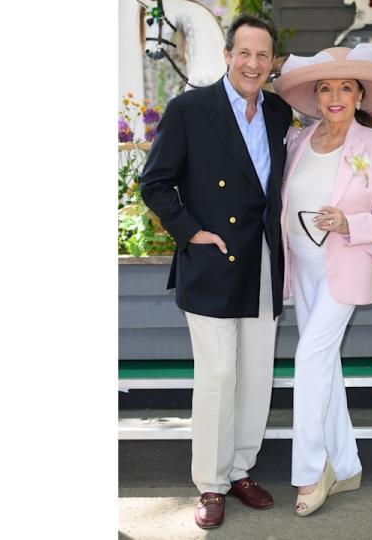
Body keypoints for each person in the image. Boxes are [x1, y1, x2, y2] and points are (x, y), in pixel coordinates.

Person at [138, 14, 293, 530]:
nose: (253, 63)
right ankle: (210, 482)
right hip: (212, 258)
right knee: (219, 374)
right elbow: (155, 182)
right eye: (244, 53)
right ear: (228, 55)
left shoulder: (277, 112)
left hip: (263, 257)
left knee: (256, 376)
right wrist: (191, 232)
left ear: (272, 64)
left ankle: (242, 469)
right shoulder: (190, 110)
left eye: (263, 55)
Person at [272, 43, 372, 516]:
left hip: (343, 269)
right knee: (325, 367)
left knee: (309, 360)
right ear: (315, 94)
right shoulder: (297, 141)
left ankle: (311, 473)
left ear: (360, 95)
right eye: (325, 87)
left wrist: (351, 224)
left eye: (345, 87)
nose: (334, 95)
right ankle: (346, 465)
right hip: (302, 266)